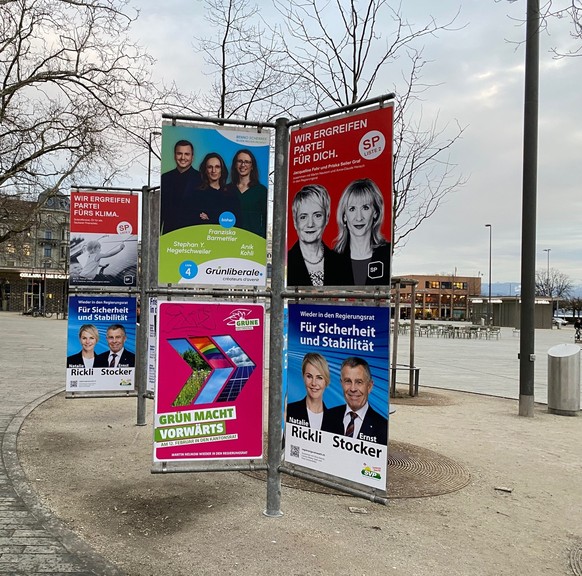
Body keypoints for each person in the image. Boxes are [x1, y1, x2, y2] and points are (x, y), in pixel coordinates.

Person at [333, 178, 391, 286]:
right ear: (344, 216)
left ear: (375, 213)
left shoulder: (387, 252)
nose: (359, 218)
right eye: (352, 209)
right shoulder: (332, 260)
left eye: (365, 207)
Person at [287, 184, 345, 286]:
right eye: (303, 217)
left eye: (317, 215)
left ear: (326, 218)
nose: (310, 224)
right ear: (295, 222)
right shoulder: (285, 263)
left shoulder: (341, 262)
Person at [323, 356, 388, 445]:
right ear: (341, 383)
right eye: (348, 381)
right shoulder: (328, 416)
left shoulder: (383, 426)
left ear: (369, 386)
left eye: (359, 382)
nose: (353, 388)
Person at [160, 140, 203, 234]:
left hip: (193, 235)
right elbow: (161, 211)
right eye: (179, 153)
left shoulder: (202, 179)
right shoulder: (165, 178)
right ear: (174, 155)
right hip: (169, 234)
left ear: (192, 157)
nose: (183, 158)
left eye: (187, 154)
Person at [286, 353, 334, 430]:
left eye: (319, 378)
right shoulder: (289, 411)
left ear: (326, 380)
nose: (314, 383)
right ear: (303, 377)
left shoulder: (335, 421)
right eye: (309, 376)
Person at [226, 149, 267, 237]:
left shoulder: (261, 191)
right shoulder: (227, 189)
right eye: (240, 161)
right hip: (230, 239)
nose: (243, 165)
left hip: (252, 241)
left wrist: (261, 239)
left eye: (247, 162)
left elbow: (265, 220)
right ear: (235, 165)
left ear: (252, 166)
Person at [198, 152, 240, 224]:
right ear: (205, 170)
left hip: (228, 234)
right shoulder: (198, 194)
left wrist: (210, 218)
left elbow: (236, 221)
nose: (213, 171)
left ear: (222, 170)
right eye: (210, 167)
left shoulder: (231, 193)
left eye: (217, 167)